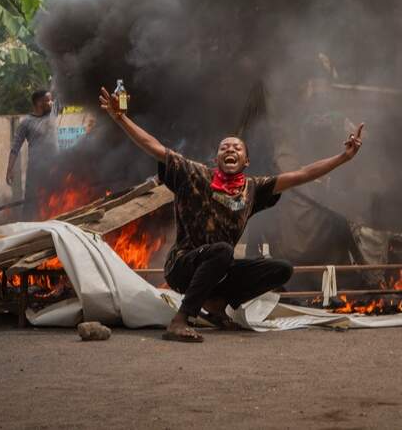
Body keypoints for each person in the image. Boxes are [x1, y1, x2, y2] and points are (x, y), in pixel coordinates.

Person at [99, 85, 364, 343]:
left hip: (220, 268)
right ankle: (181, 320)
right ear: (216, 159)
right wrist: (121, 118)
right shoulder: (195, 174)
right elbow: (154, 147)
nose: (230, 150)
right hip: (182, 267)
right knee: (223, 250)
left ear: (246, 162)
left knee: (280, 269)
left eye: (237, 148)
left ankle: (217, 304)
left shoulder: (253, 189)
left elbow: (302, 174)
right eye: (224, 147)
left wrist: (344, 157)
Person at [7, 90, 58, 202]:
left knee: (55, 201)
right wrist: (9, 170)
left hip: (54, 167)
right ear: (39, 103)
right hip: (36, 171)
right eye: (48, 100)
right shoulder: (26, 123)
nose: (51, 103)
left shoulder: (53, 113)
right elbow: (15, 148)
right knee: (33, 203)